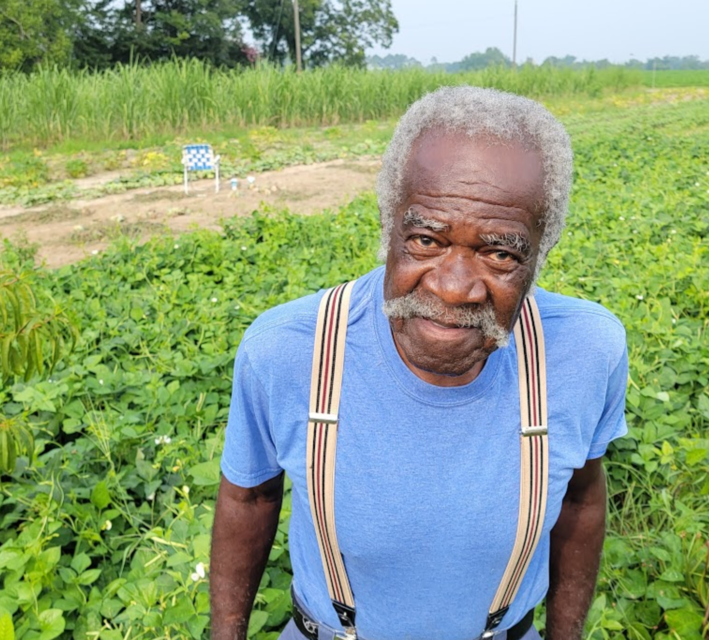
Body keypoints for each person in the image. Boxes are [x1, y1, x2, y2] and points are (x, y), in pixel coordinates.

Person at [211, 86, 629, 640]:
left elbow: (581, 497)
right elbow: (250, 496)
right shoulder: (288, 351)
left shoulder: (586, 351)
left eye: (500, 253)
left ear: (541, 254)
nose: (454, 289)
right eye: (427, 240)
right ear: (389, 228)